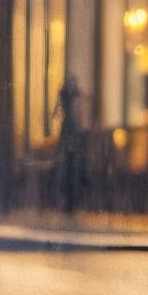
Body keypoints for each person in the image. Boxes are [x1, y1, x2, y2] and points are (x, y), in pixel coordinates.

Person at [53, 73, 87, 215]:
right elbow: (57, 112)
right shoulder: (69, 98)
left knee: (71, 170)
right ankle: (68, 201)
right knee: (68, 170)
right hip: (70, 134)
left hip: (71, 134)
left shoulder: (72, 98)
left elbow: (57, 112)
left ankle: (71, 201)